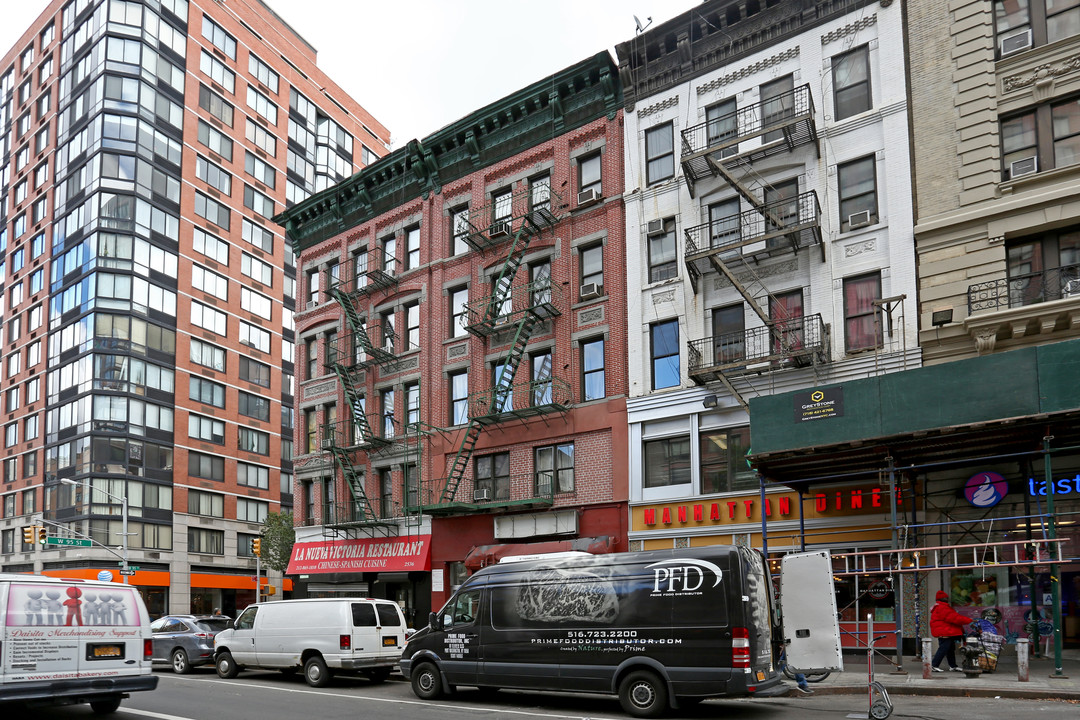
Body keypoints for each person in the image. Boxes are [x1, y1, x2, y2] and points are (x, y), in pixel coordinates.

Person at [930, 590, 968, 672]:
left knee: (950, 649)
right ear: (941, 599)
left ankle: (953, 666)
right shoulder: (942, 607)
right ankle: (934, 665)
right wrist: (969, 620)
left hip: (945, 631)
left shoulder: (940, 607)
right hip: (945, 632)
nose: (947, 599)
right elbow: (954, 618)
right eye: (945, 598)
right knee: (944, 648)